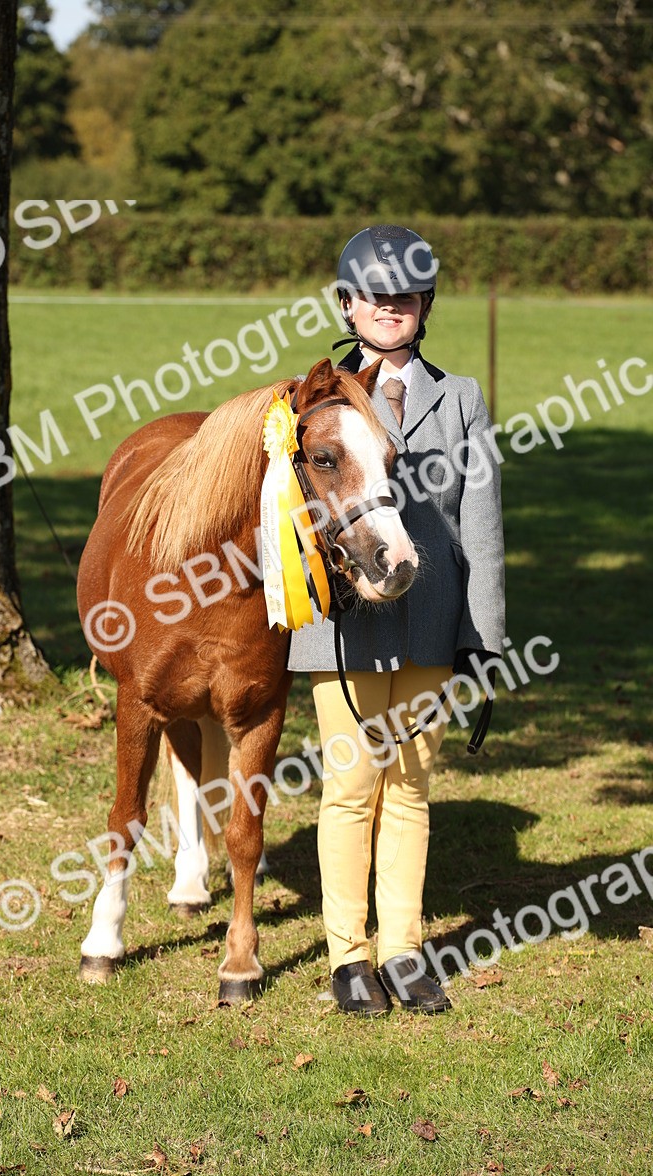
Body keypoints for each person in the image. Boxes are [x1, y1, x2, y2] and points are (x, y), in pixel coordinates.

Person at [287, 225, 505, 1016]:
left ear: (425, 307)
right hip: (345, 621)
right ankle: (348, 957)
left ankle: (404, 949)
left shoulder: (463, 400)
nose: (390, 309)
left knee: (409, 785)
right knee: (349, 785)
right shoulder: (312, 397)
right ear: (348, 306)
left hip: (431, 619)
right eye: (375, 297)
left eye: (404, 298)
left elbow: (480, 523)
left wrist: (483, 638)